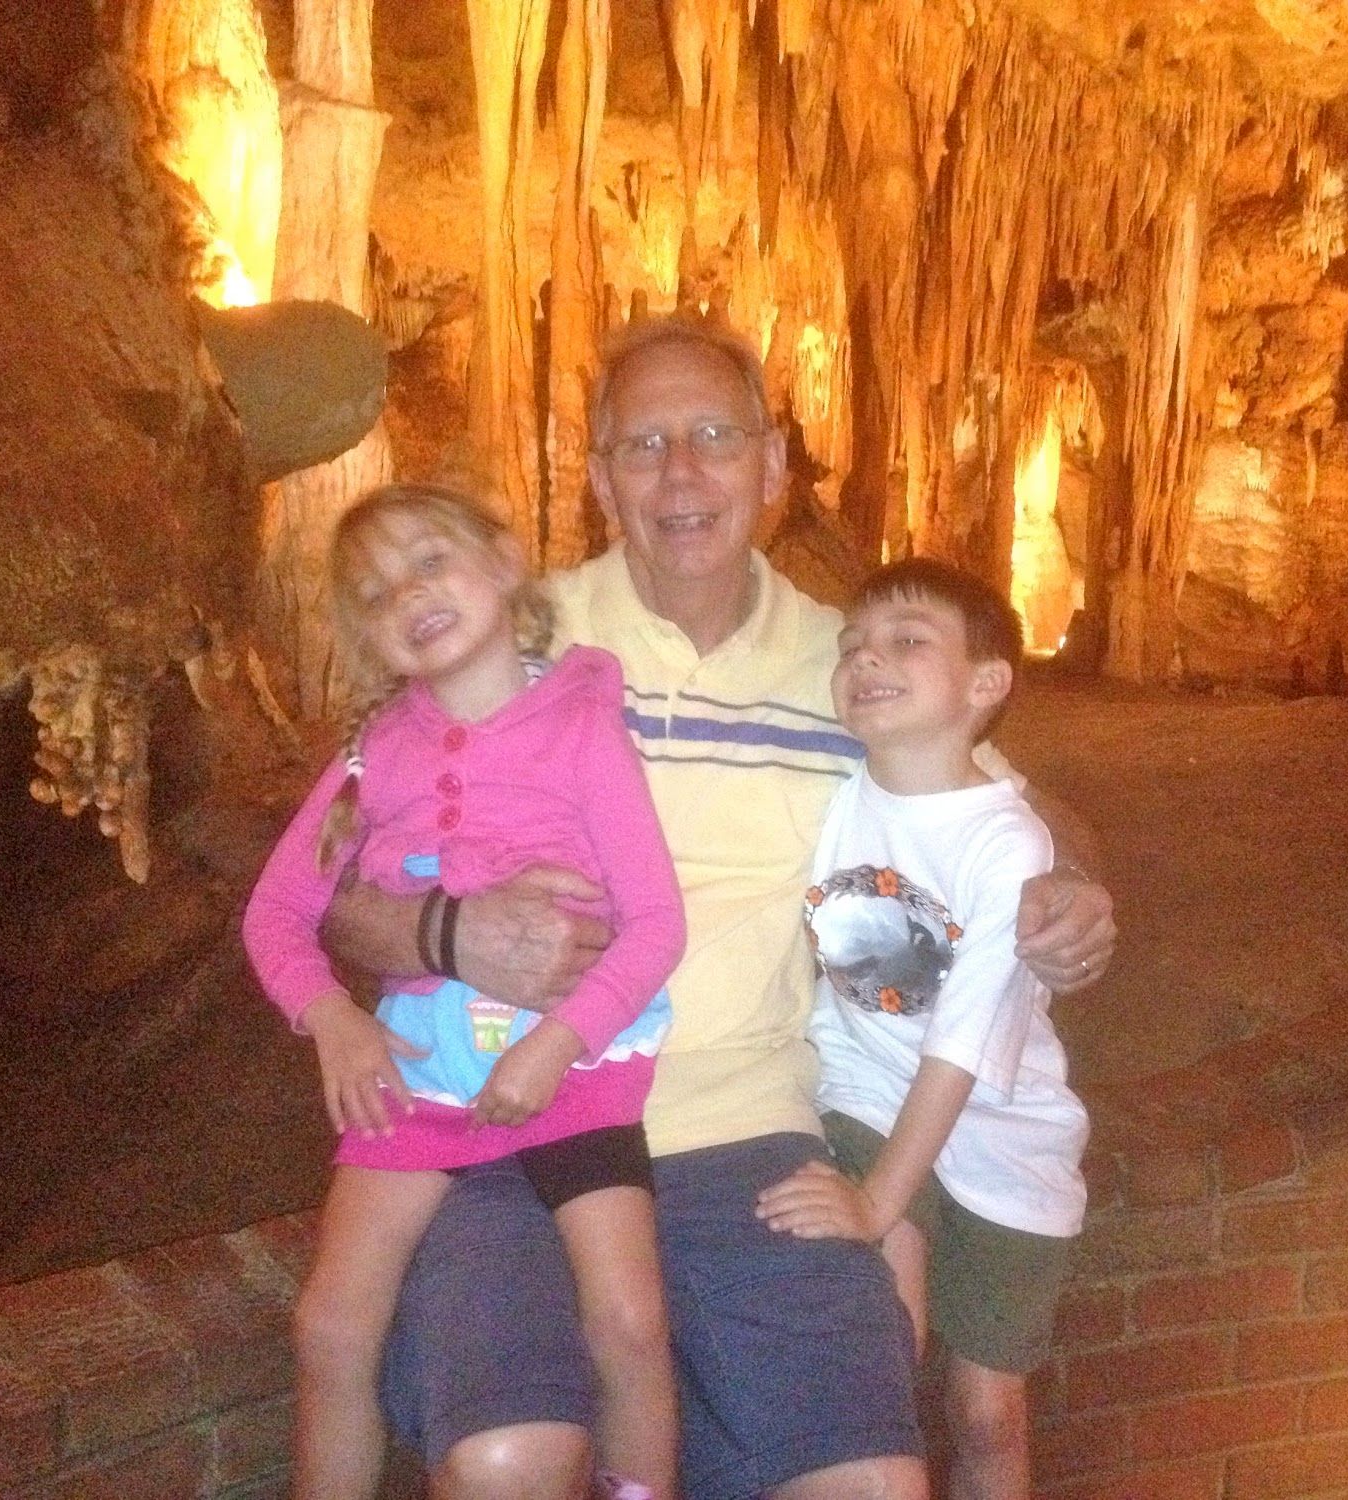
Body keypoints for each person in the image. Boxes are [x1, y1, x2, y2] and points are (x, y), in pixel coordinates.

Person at [323, 314, 1117, 1500]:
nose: (680, 474)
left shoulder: (847, 667)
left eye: (712, 436)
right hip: (511, 1131)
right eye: (642, 446)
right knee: (504, 1464)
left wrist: (1075, 894)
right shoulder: (506, 638)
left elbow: (1011, 804)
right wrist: (448, 931)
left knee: (869, 1488)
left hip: (749, 1138)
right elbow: (332, 895)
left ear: (773, 466)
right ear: (597, 480)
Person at [242, 484, 686, 1500]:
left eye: (428, 561)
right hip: (422, 1072)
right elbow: (275, 912)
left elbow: (657, 923)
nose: (408, 595)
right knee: (329, 1324)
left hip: (574, 1069)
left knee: (627, 1320)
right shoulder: (371, 755)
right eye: (375, 592)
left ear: (501, 558)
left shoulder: (582, 731)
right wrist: (333, 1020)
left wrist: (556, 1044)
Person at [756, 558, 1089, 1500]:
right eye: (853, 646)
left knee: (987, 1415)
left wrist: (872, 1203)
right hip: (865, 1098)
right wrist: (875, 1204)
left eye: (908, 641)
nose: (869, 659)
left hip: (1001, 1130)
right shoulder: (832, 795)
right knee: (880, 1363)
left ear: (986, 685)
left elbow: (961, 1051)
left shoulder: (1006, 843)